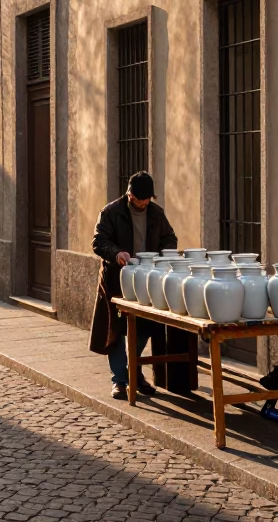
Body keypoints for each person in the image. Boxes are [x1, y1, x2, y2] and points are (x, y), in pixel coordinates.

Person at [90, 171, 178, 400]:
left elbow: (170, 238)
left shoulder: (157, 214)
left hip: (147, 281)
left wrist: (161, 257)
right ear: (130, 195)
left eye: (148, 199)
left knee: (146, 326)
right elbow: (99, 241)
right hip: (116, 280)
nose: (144, 203)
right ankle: (120, 380)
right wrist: (116, 253)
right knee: (116, 331)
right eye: (141, 200)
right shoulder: (111, 212)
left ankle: (133, 370)